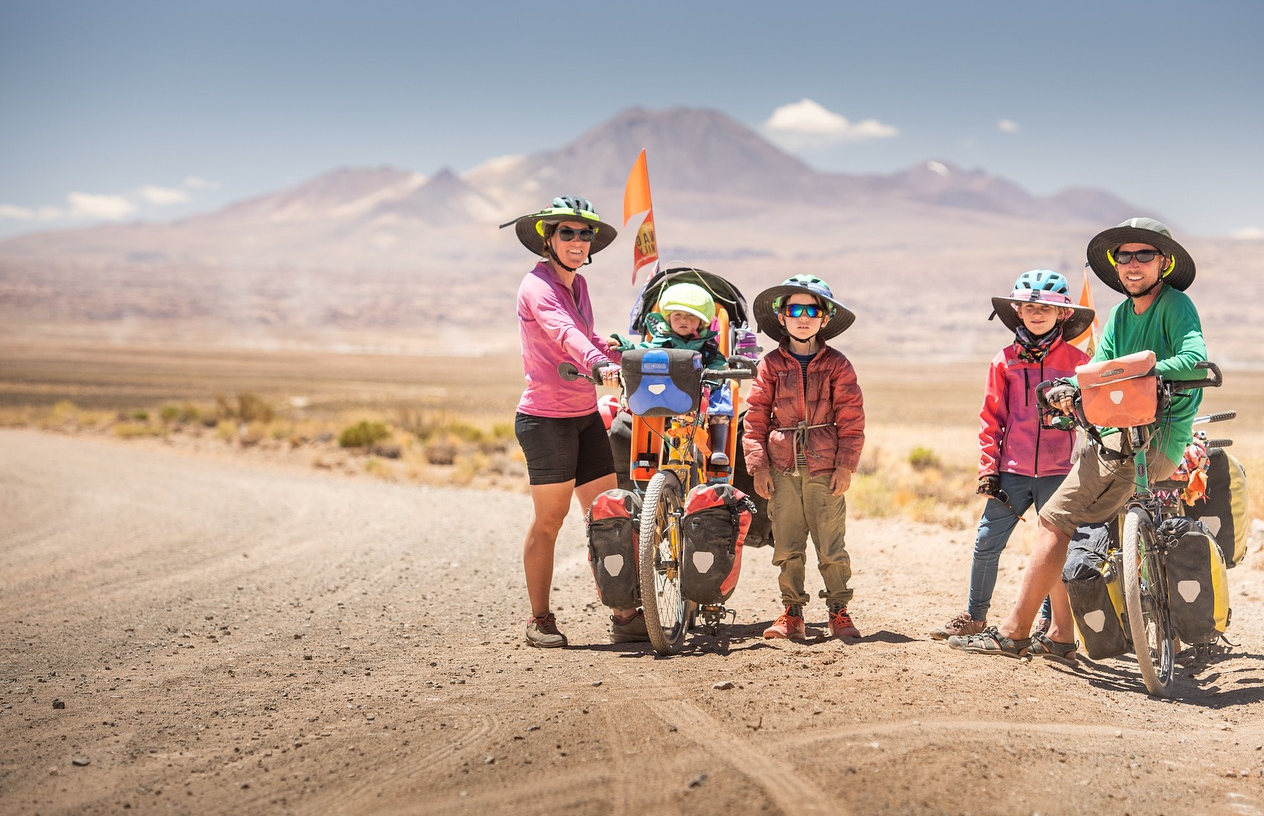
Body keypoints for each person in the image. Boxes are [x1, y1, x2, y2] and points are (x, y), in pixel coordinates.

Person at [949, 218, 1206, 663]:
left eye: (1144, 255)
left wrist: (1140, 371)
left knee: (1056, 521)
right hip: (1116, 439)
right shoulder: (1121, 316)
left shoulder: (1176, 305)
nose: (1132, 264)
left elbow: (1195, 359)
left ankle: (1015, 632)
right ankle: (1063, 636)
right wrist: (1067, 387)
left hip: (1158, 440)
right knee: (1060, 523)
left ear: (1163, 262)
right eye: (1123, 256)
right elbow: (1096, 369)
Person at [500, 196, 649, 648]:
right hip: (545, 421)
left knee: (608, 515)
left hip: (584, 416)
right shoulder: (537, 286)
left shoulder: (579, 284)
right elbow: (563, 334)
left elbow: (585, 333)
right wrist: (598, 365)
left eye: (585, 234)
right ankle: (539, 619)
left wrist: (626, 354)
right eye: (567, 232)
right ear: (549, 239)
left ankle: (625, 615)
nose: (578, 241)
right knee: (550, 520)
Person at [930, 271, 1094, 641]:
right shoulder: (1003, 362)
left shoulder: (1079, 362)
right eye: (1030, 306)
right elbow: (991, 420)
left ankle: (1047, 625)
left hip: (1061, 472)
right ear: (1018, 310)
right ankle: (974, 617)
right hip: (1012, 472)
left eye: (1046, 308)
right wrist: (988, 469)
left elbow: (1091, 420)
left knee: (1054, 549)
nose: (1037, 314)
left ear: (1063, 314)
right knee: (987, 541)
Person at [742, 274, 865, 640]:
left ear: (825, 318)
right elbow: (755, 419)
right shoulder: (769, 366)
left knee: (831, 545)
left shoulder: (838, 365)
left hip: (825, 468)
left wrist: (845, 466)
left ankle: (838, 611)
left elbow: (852, 419)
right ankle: (792, 613)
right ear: (781, 317)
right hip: (780, 469)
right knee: (787, 544)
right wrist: (758, 466)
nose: (803, 316)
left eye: (813, 310)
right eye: (795, 309)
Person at [609, 281, 734, 465]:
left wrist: (713, 376)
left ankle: (717, 449)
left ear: (701, 322)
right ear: (668, 318)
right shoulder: (661, 342)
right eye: (678, 315)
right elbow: (641, 353)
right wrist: (625, 347)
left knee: (722, 393)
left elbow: (719, 364)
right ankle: (649, 453)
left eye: (691, 316)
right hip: (667, 395)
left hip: (700, 395)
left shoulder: (707, 347)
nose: (684, 320)